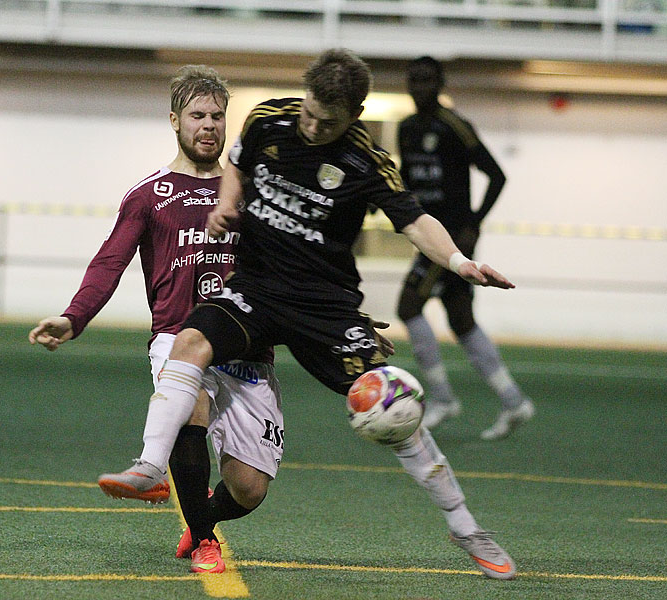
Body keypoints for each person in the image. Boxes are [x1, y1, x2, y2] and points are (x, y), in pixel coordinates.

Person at [99, 48, 520, 580]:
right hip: (255, 290)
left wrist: (460, 262)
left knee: (395, 413)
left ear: (355, 116)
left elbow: (414, 222)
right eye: (311, 113)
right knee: (190, 341)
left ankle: (466, 528)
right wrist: (227, 204)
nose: (315, 126)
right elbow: (236, 164)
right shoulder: (268, 118)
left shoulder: (365, 162)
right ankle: (149, 466)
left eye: (330, 122)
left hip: (324, 307)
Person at [30, 65, 300, 575]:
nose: (209, 126)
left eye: (218, 116)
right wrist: (74, 317)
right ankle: (203, 539)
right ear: (175, 121)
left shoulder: (252, 194)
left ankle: (201, 519)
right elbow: (109, 261)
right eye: (198, 115)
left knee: (250, 488)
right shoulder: (148, 194)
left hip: (246, 351)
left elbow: (295, 262)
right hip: (178, 339)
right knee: (189, 406)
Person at [396, 56, 534, 440]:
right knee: (461, 320)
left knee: (408, 306)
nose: (420, 86)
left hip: (451, 240)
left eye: (427, 80)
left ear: (440, 84)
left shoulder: (455, 126)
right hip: (425, 234)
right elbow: (407, 177)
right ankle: (514, 401)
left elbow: (496, 174)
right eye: (414, 79)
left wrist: (473, 222)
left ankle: (441, 399)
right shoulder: (406, 129)